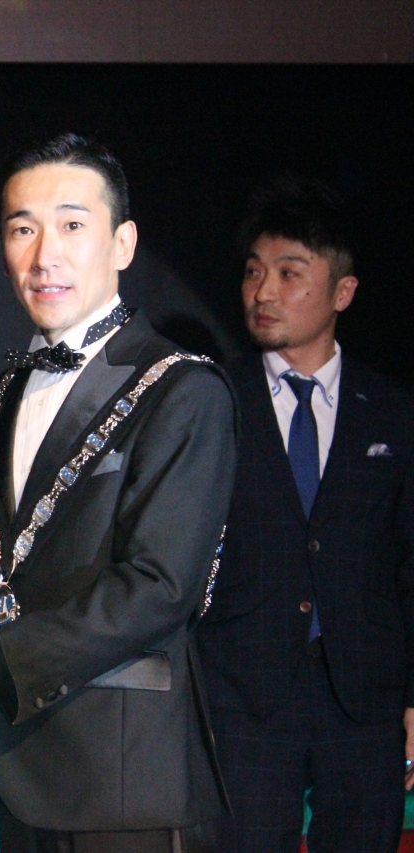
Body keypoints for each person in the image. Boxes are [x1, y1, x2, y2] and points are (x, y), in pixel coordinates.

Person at [0, 133, 237, 852]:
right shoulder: (11, 387)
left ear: (123, 244)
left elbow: (160, 588)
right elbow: (31, 577)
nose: (45, 255)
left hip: (125, 784)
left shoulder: (183, 389)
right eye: (23, 229)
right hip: (23, 772)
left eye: (72, 225)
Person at [195, 179, 414, 853]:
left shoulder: (394, 411)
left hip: (366, 697)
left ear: (342, 291)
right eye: (253, 271)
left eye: (289, 273)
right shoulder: (211, 401)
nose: (262, 291)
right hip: (244, 696)